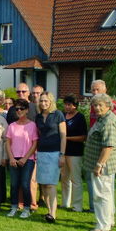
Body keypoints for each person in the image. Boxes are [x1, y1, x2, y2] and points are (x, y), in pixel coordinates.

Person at [87, 79, 116, 212]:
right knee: (94, 183)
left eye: (98, 89)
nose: (95, 92)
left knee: (105, 185)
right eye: (93, 90)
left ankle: (107, 213)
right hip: (95, 148)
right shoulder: (94, 104)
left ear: (105, 90)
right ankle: (95, 209)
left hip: (105, 148)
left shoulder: (109, 104)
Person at [83, 94, 116, 231]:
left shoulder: (109, 122)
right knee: (106, 194)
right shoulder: (102, 119)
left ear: (108, 106)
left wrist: (99, 165)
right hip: (99, 164)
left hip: (102, 165)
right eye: (95, 105)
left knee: (100, 195)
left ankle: (102, 225)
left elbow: (108, 147)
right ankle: (108, 221)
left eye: (100, 105)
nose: (97, 108)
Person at [6, 83, 39, 210]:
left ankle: (31, 203)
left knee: (29, 181)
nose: (21, 93)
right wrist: (11, 157)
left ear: (28, 92)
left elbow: (36, 137)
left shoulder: (34, 108)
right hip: (14, 152)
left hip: (29, 153)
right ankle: (17, 204)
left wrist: (27, 157)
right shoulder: (12, 112)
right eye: (18, 91)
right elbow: (8, 138)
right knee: (15, 183)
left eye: (23, 91)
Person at [35, 92, 66, 223]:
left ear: (51, 101)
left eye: (46, 101)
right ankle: (48, 211)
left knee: (51, 184)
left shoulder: (58, 114)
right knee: (43, 184)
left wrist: (62, 154)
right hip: (41, 153)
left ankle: (53, 214)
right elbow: (38, 135)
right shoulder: (38, 117)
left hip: (54, 153)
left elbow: (63, 136)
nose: (43, 103)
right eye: (41, 101)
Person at [61, 95, 87, 212]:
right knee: (64, 178)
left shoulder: (80, 117)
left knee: (75, 179)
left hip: (75, 153)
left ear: (75, 106)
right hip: (63, 152)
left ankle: (77, 206)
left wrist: (67, 138)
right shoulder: (62, 115)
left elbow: (83, 137)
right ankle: (65, 203)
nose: (67, 107)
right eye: (65, 104)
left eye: (69, 104)